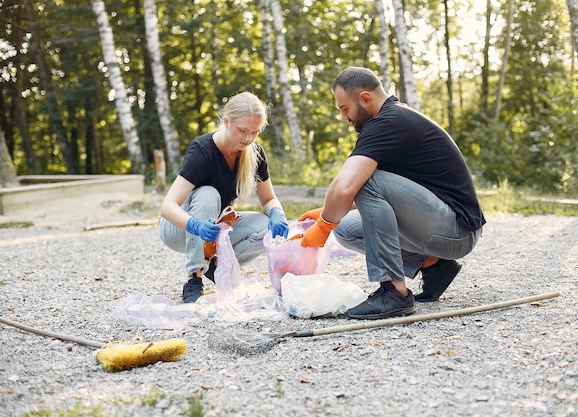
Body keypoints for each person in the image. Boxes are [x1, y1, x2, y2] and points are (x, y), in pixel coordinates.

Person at [299, 67, 485, 320]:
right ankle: (434, 265)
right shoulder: (392, 119)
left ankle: (394, 292)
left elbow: (347, 186)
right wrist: (327, 216)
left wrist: (322, 226)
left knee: (364, 184)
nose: (343, 117)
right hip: (444, 227)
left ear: (365, 99)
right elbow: (383, 199)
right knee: (345, 229)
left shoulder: (386, 123)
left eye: (344, 108)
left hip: (456, 229)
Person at [158, 92, 289, 303]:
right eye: (242, 131)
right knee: (208, 193)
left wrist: (277, 213)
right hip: (179, 227)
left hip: (213, 229)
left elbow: (268, 199)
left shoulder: (255, 153)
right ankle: (194, 277)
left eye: (254, 132)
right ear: (226, 122)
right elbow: (167, 207)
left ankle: (217, 265)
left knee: (265, 226)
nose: (248, 139)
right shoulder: (202, 151)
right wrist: (195, 225)